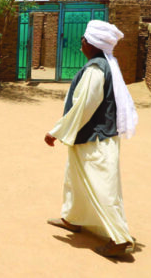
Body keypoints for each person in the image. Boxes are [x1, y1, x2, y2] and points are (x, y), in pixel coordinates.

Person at [44, 20, 138, 258]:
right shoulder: (103, 65)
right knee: (74, 180)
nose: (81, 43)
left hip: (95, 142)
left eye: (84, 39)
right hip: (90, 140)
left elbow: (83, 107)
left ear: (92, 44)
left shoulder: (96, 70)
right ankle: (73, 219)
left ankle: (120, 238)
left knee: (103, 189)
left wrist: (56, 131)